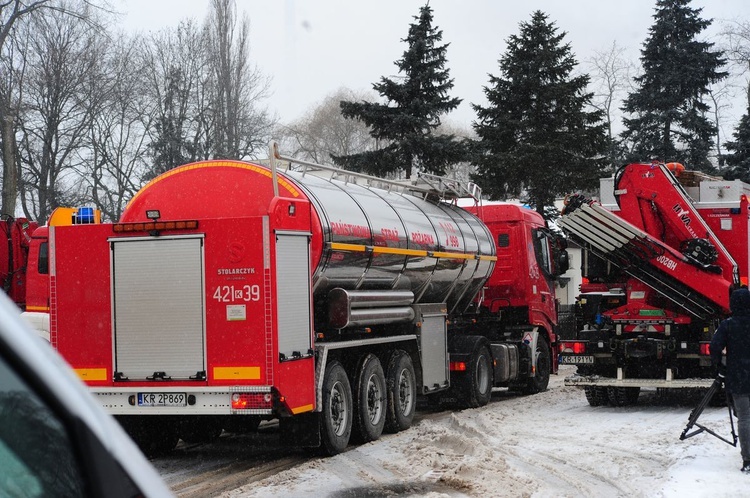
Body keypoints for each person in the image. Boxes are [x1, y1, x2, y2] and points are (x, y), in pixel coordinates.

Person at [711, 287, 750, 473]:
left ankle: (748, 459)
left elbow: (714, 346)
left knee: (743, 418)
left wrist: (719, 366)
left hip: (738, 377)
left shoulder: (728, 325)